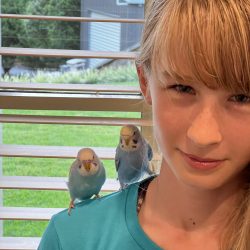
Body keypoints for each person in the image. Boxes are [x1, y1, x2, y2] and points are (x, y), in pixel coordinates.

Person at [38, 0, 250, 249]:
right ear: (144, 82)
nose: (203, 136)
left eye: (242, 97)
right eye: (182, 88)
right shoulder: (71, 238)